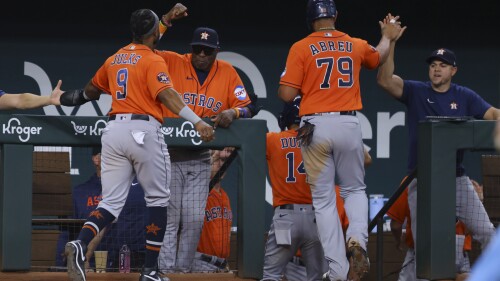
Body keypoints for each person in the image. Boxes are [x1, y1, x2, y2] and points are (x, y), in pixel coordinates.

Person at [58, 8, 215, 281]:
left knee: (110, 203)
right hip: (143, 131)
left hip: (113, 130)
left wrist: (70, 98)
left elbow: (90, 91)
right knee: (158, 200)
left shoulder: (115, 57)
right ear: (155, 32)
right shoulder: (153, 60)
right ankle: (151, 270)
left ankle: (81, 243)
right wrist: (197, 121)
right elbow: (167, 94)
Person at [277, 0, 402, 280]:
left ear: (310, 20)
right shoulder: (354, 43)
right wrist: (387, 36)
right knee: (355, 190)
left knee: (323, 201)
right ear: (336, 16)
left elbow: (286, 94)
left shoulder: (301, 46)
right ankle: (356, 238)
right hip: (348, 122)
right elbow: (378, 56)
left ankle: (336, 270)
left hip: (315, 125)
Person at [376, 16, 499, 280]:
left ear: (453, 70)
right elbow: (385, 80)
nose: (436, 69)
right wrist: (392, 42)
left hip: (457, 178)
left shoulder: (464, 95)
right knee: (426, 248)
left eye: (443, 65)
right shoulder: (417, 91)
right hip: (423, 180)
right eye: (433, 65)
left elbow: (490, 114)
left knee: (488, 232)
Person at [154, 3, 260, 274]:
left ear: (216, 51)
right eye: (197, 49)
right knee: (170, 216)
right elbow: (146, 46)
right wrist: (166, 20)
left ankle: (183, 272)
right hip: (171, 151)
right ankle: (165, 272)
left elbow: (250, 105)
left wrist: (234, 111)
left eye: (207, 50)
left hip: (201, 156)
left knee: (193, 218)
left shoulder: (226, 71)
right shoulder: (174, 61)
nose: (201, 54)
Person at [262, 97, 351, 281]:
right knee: (317, 277)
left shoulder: (272, 140)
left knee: (271, 275)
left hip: (286, 218)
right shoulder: (323, 143)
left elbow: (243, 144)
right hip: (316, 219)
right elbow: (364, 158)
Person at [387, 181, 482, 281]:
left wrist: (398, 241)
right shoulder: (462, 181)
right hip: (457, 250)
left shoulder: (412, 180)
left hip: (424, 252)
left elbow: (395, 226)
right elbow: (472, 227)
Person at [191, 147, 234, 273]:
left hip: (222, 264)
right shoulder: (201, 192)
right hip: (201, 262)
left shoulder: (225, 196)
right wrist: (214, 155)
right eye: (217, 161)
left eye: (223, 161)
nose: (221, 165)